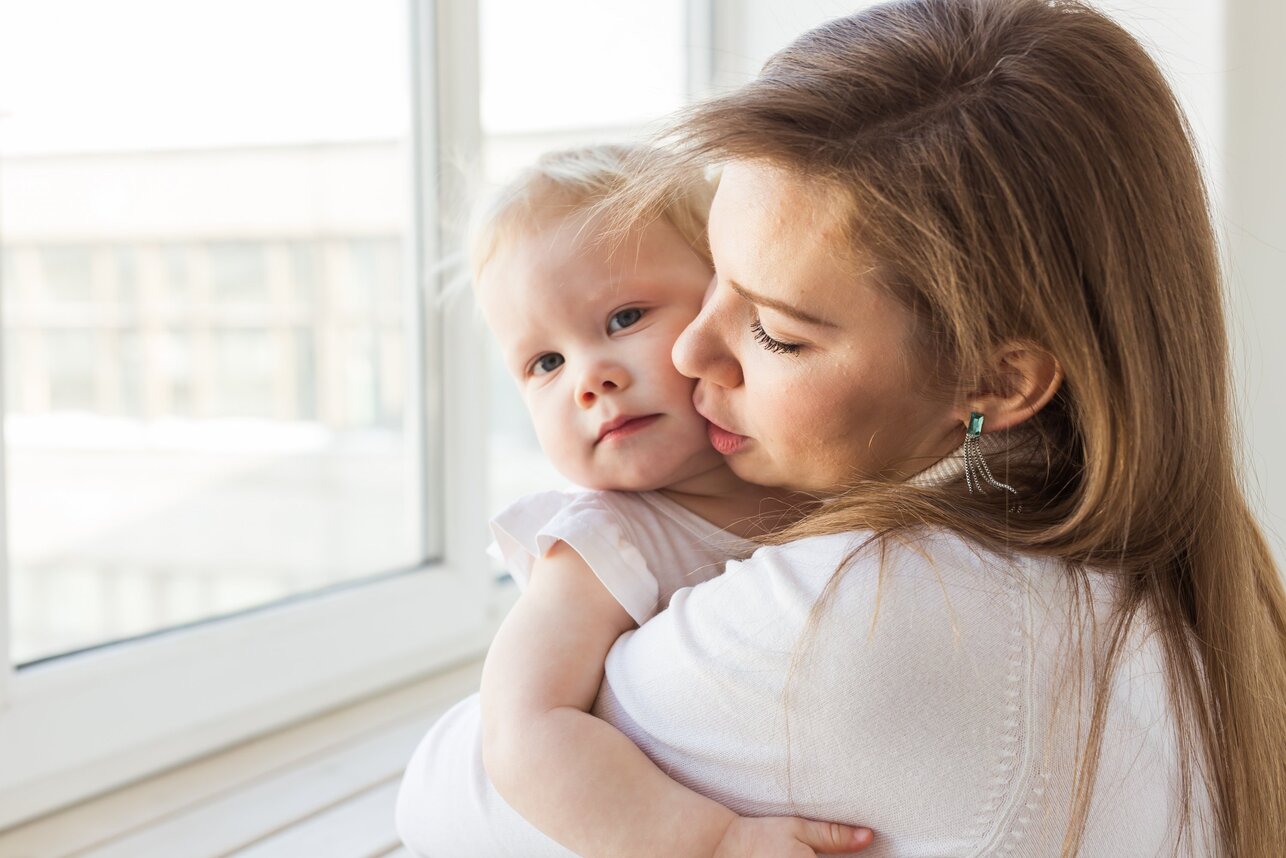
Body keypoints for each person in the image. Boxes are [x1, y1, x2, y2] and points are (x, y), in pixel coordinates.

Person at [398, 0, 1286, 855]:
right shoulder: (1161, 560)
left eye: (775, 330)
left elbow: (448, 790)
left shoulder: (876, 614)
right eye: (716, 282)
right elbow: (511, 739)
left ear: (995, 380)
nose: (694, 351)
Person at [397, 143, 877, 856]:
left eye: (624, 319)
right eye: (546, 364)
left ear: (726, 302)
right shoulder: (601, 542)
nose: (589, 380)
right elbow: (524, 728)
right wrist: (710, 843)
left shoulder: (821, 472)